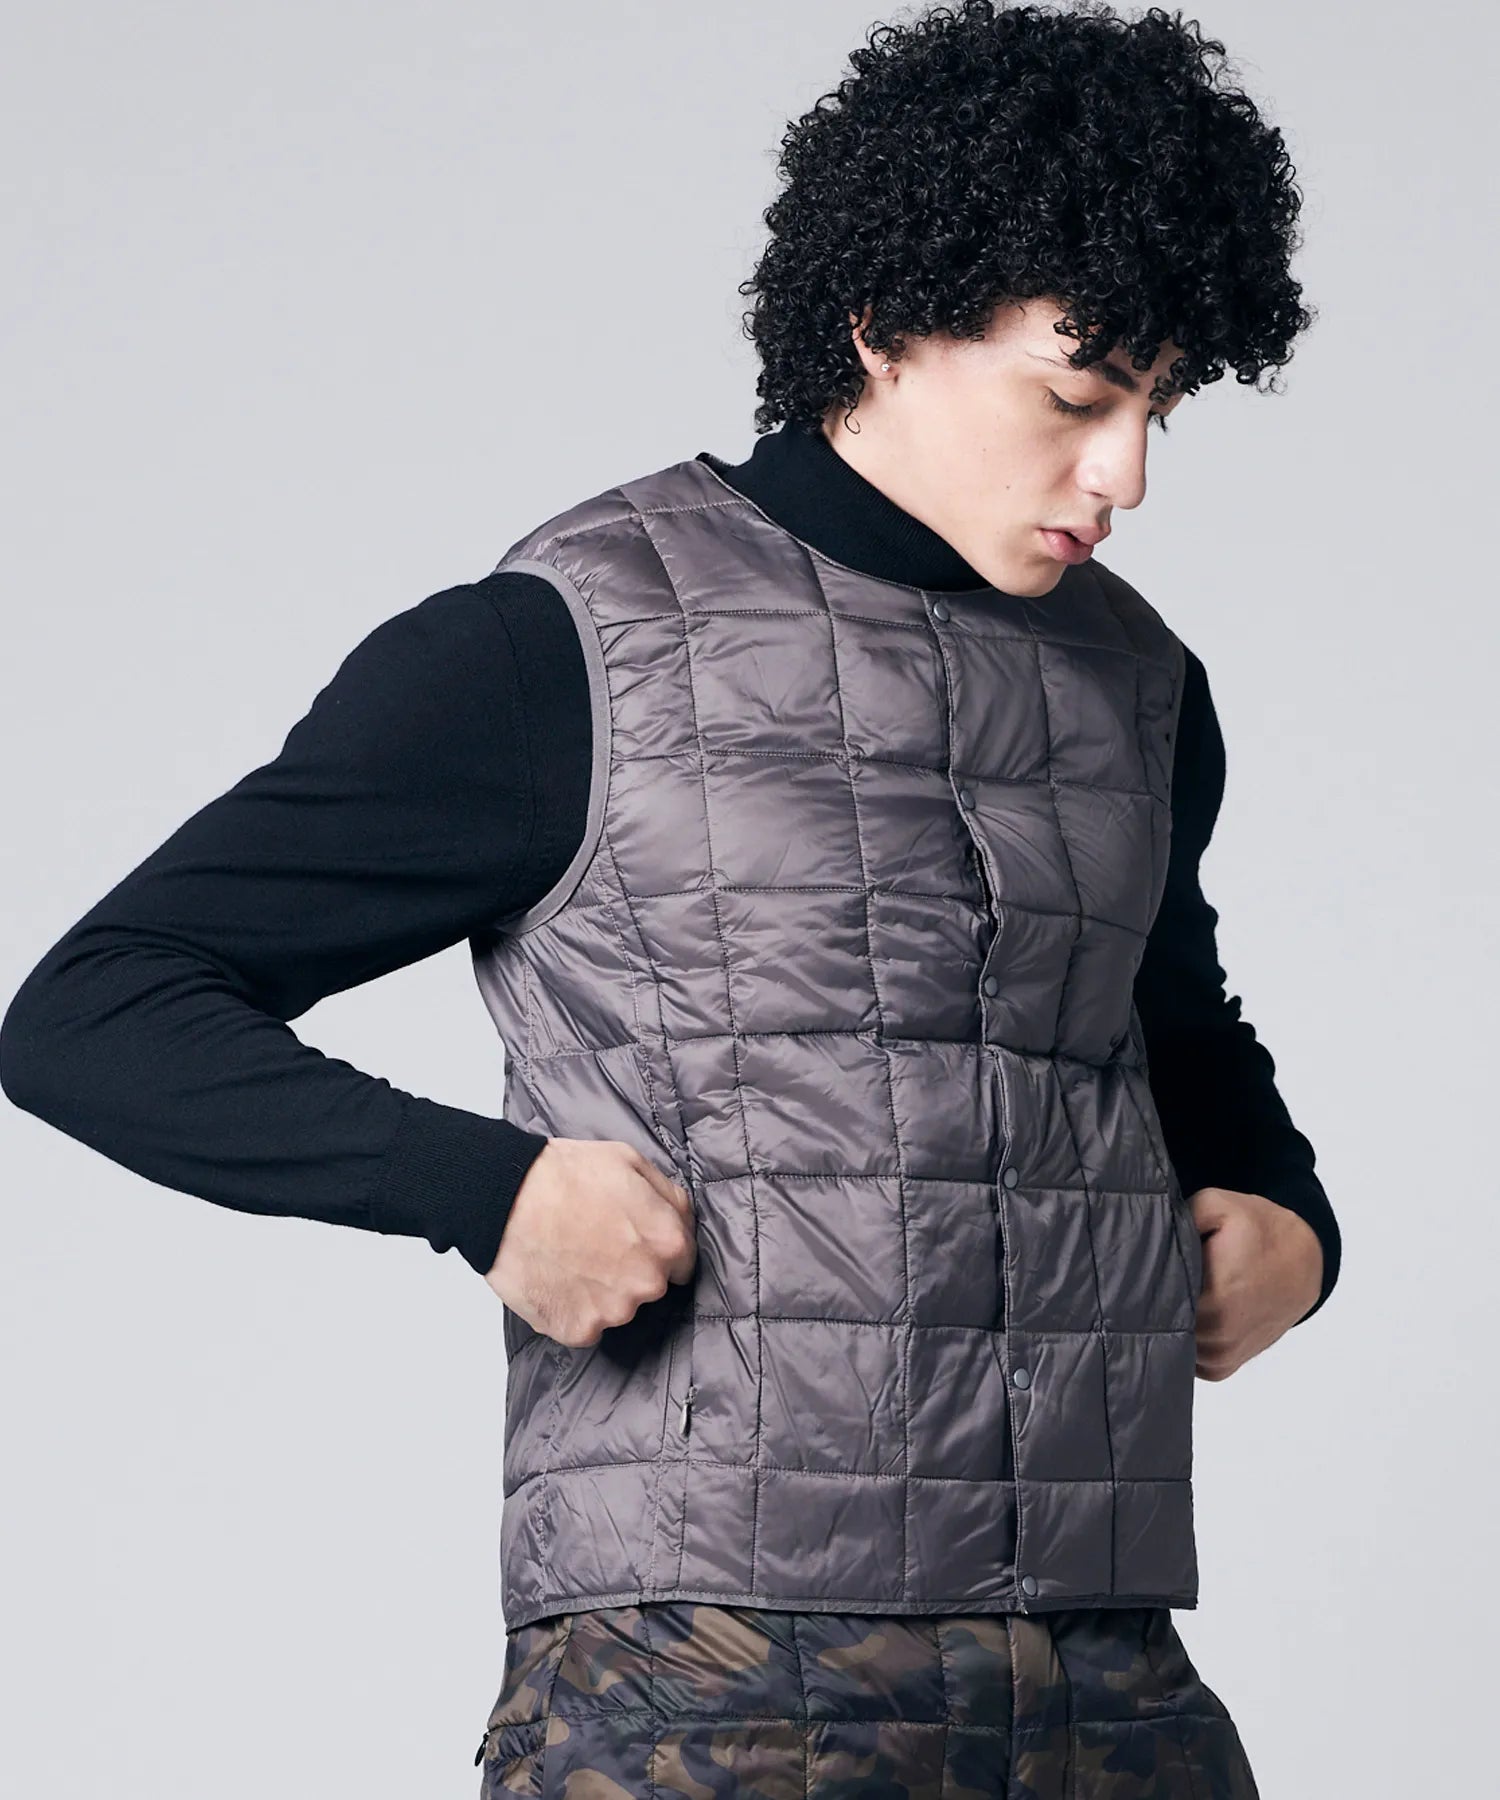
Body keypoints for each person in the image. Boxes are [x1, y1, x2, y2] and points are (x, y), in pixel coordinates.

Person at [1, 3, 1340, 1793]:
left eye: (1161, 408)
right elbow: (98, 1008)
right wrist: (485, 1194)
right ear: (884, 326)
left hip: (1101, 1667)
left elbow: (1171, 1028)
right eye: (1078, 397)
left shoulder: (1142, 685)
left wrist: (1294, 1218)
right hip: (705, 1679)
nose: (1127, 475)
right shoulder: (564, 645)